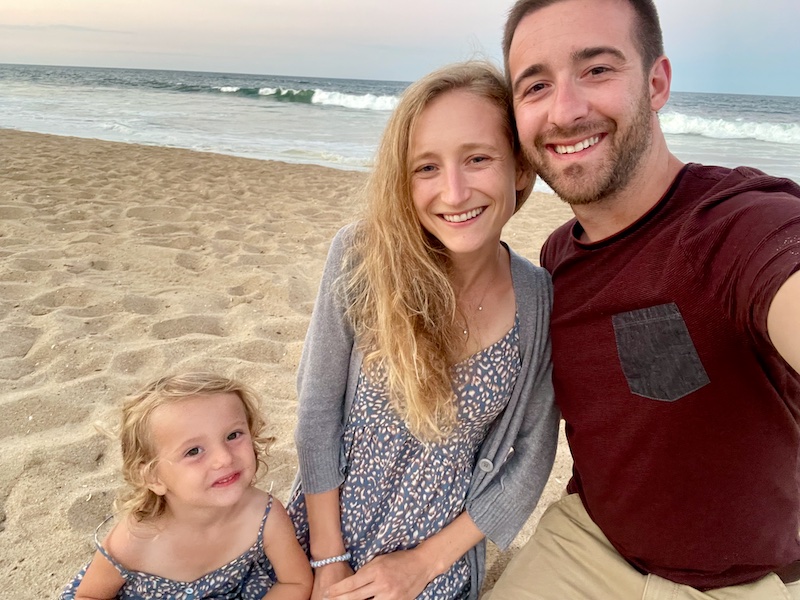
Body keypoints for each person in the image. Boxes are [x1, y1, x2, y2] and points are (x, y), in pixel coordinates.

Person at [488, 0, 800, 598]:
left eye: (597, 70)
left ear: (656, 83)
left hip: (738, 580)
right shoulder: (557, 259)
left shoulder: (736, 226)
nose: (566, 110)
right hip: (587, 541)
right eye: (536, 86)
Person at [287, 61, 559, 600]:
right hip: (324, 536)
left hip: (437, 563)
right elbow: (316, 408)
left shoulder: (539, 297)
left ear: (520, 170)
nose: (454, 193)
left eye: (478, 159)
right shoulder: (362, 255)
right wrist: (329, 563)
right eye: (426, 168)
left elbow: (531, 459)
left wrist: (421, 566)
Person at [59, 373, 313, 600]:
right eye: (193, 451)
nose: (224, 458)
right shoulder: (136, 538)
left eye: (233, 435)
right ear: (153, 478)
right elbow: (89, 595)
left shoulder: (265, 515)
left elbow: (295, 581)